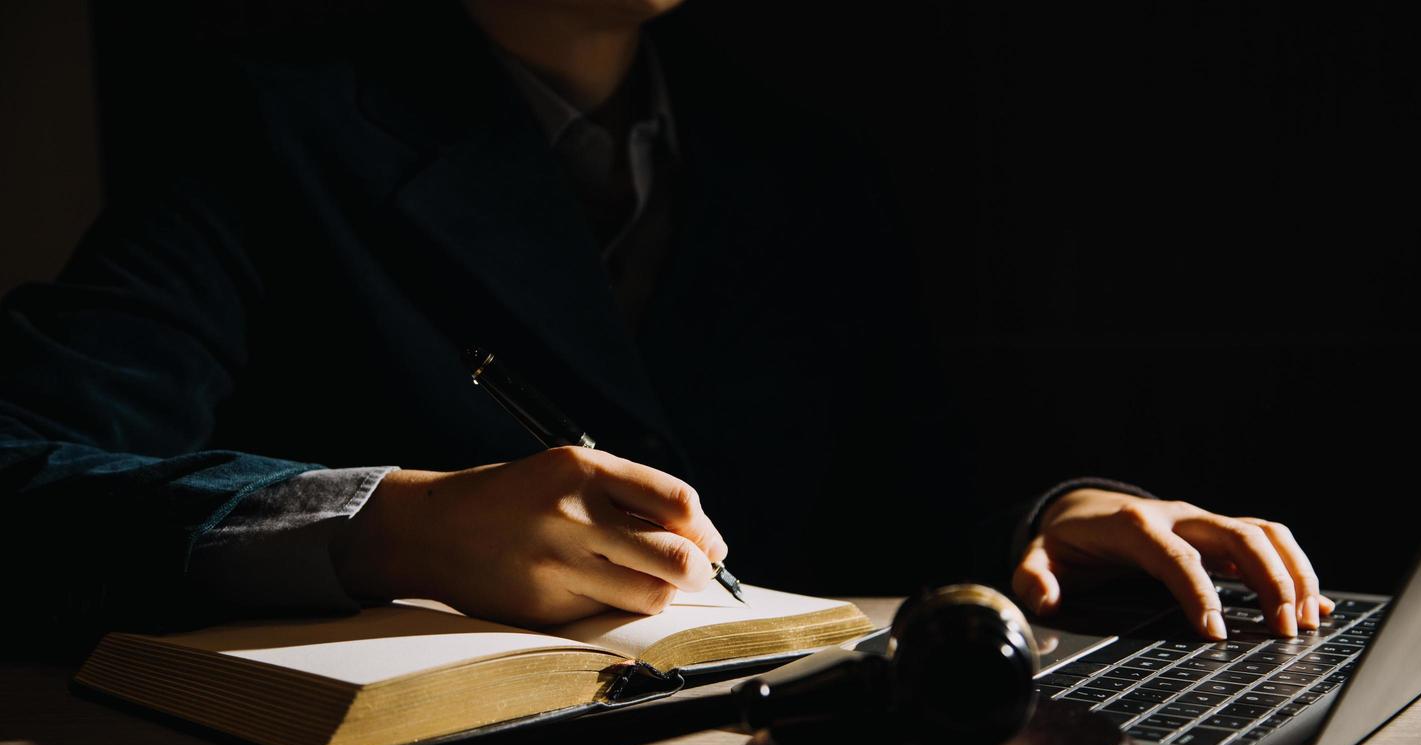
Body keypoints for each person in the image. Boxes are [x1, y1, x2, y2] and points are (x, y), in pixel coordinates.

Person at [0, 0, 1330, 653]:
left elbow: (898, 507)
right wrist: (382, 523)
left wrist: (1053, 520)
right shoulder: (266, 133)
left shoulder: (800, 166)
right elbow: (22, 468)